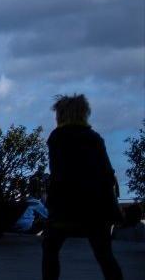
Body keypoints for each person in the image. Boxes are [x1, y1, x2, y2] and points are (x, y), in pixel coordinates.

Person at [41, 94, 123, 280]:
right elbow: (107, 173)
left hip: (67, 208)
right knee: (104, 255)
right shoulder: (94, 138)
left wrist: (53, 205)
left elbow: (60, 174)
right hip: (98, 208)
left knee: (50, 249)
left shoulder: (58, 138)